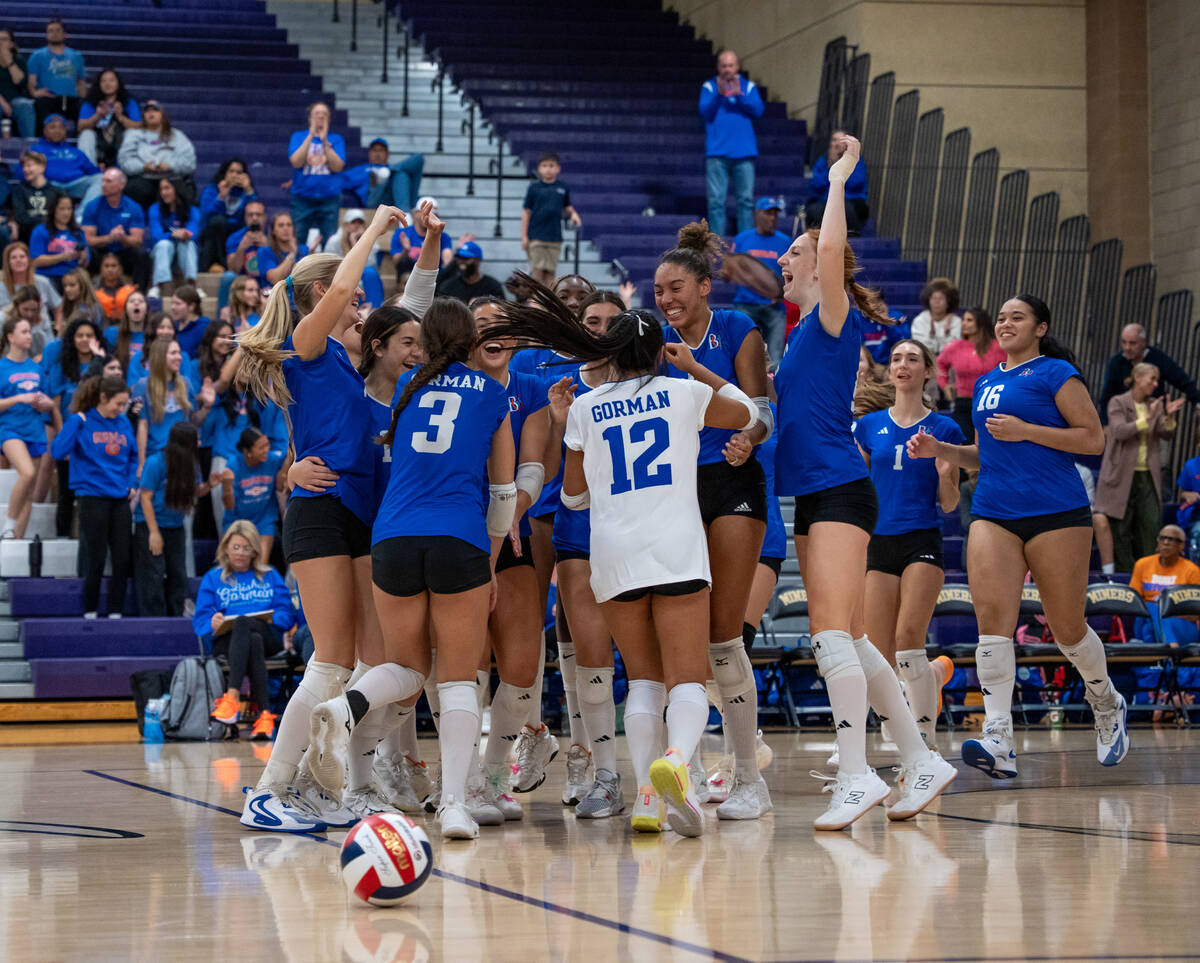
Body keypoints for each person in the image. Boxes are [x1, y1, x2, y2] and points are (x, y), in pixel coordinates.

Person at [486, 288, 766, 837]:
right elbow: (749, 411)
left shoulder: (586, 407)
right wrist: (696, 367)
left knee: (642, 683)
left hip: (612, 555)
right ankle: (677, 762)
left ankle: (645, 795)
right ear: (660, 351)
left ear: (610, 353)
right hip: (677, 547)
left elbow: (570, 499)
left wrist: (570, 434)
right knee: (686, 678)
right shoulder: (683, 391)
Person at [775, 133, 956, 830]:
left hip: (839, 488)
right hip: (822, 491)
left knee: (830, 635)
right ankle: (918, 757)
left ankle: (855, 773)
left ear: (824, 270)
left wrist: (839, 176)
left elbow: (826, 250)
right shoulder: (801, 337)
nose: (788, 261)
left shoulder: (831, 314)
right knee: (852, 637)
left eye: (796, 254)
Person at [305, 294, 517, 841]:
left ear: (425, 344)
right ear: (470, 340)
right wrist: (490, 564)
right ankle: (452, 806)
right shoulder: (494, 394)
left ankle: (348, 702)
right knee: (457, 680)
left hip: (393, 535)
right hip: (458, 536)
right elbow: (502, 494)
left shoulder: (407, 386)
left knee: (405, 668)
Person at [908, 293, 1129, 777]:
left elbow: (1092, 439)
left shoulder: (1056, 374)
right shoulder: (986, 381)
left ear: (1040, 328)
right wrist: (938, 447)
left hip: (1056, 511)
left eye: (1018, 317)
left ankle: (1106, 701)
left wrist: (1028, 429)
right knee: (992, 626)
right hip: (992, 511)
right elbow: (985, 453)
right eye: (1002, 317)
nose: (1006, 323)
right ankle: (999, 737)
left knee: (1068, 628)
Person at [235, 205, 405, 832]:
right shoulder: (305, 347)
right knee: (331, 659)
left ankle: (315, 780)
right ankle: (270, 790)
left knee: (376, 659)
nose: (360, 308)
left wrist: (289, 462)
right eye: (355, 298)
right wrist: (375, 233)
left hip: (356, 513)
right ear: (319, 297)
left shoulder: (343, 365)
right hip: (321, 515)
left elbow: (319, 432)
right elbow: (336, 289)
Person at [657, 221, 774, 820]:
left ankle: (748, 777)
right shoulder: (651, 340)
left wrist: (748, 439)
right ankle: (692, 773)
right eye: (658, 292)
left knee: (725, 637)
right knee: (685, 645)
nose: (666, 299)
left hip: (731, 481)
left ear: (704, 286)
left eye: (676, 287)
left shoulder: (736, 328)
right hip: (673, 490)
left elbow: (761, 412)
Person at [852, 339, 961, 749]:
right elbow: (859, 489)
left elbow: (949, 504)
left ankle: (924, 743)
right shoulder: (869, 426)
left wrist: (947, 472)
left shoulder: (945, 428)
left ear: (927, 371)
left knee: (910, 637)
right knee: (880, 652)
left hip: (921, 539)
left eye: (912, 359)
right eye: (896, 358)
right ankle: (931, 678)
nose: (903, 364)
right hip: (878, 541)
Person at [196, 520, 297, 741]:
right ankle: (265, 716)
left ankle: (232, 698)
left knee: (247, 626)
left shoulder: (269, 575)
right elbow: (200, 621)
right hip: (227, 640)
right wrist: (212, 622)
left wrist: (269, 620)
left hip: (269, 634)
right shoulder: (213, 578)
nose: (240, 553)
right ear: (225, 548)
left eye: (246, 548)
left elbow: (287, 614)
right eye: (236, 547)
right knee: (250, 637)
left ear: (254, 550)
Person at [50, 374, 136, 618]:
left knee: (121, 558)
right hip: (91, 497)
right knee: (96, 558)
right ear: (102, 398)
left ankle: (116, 612)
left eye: (124, 405)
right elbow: (57, 450)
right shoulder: (82, 421)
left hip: (119, 497)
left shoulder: (123, 423)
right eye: (117, 404)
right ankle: (89, 610)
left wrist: (131, 482)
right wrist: (75, 422)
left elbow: (132, 456)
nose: (121, 409)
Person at [1094, 362, 1183, 573]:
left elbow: (1166, 434)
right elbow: (1119, 431)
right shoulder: (1118, 402)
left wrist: (1168, 417)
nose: (1155, 384)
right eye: (1152, 379)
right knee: (1120, 529)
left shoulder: (1155, 404)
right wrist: (1148, 418)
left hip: (1147, 475)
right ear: (1137, 378)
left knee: (1150, 525)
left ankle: (1149, 574)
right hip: (1121, 475)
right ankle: (1127, 577)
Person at [134, 420, 211, 616]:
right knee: (153, 573)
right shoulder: (156, 462)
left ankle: (178, 613)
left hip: (176, 524)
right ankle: (153, 618)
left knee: (178, 572)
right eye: (196, 440)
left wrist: (210, 484)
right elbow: (145, 496)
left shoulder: (191, 464)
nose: (199, 443)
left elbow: (194, 491)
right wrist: (153, 532)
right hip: (151, 525)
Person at [46, 314, 106, 537]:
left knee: (90, 492)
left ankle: (87, 539)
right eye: (79, 335)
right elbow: (56, 404)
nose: (84, 339)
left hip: (95, 438)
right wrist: (65, 437)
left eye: (89, 335)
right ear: (72, 339)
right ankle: (62, 536)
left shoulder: (102, 364)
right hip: (70, 436)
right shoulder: (63, 365)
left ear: (97, 339)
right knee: (65, 492)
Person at [0, 315, 56, 539]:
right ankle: (9, 524)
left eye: (29, 332)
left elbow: (49, 401)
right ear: (11, 337)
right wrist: (18, 399)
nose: (28, 336)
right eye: (23, 331)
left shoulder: (37, 368)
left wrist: (46, 404)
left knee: (30, 490)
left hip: (34, 429)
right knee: (28, 472)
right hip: (10, 429)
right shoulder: (2, 366)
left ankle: (16, 541)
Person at [699, 50, 763, 237]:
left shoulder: (748, 86)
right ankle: (717, 241)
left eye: (731, 65)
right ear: (718, 67)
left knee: (745, 200)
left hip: (744, 153)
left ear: (738, 66)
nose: (727, 69)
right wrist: (719, 95)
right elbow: (704, 113)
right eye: (724, 65)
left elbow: (758, 111)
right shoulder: (710, 87)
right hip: (717, 153)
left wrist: (740, 96)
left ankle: (744, 241)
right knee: (716, 201)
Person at [133, 338, 214, 472]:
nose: (179, 357)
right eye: (173, 353)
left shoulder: (185, 383)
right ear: (160, 356)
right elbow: (142, 425)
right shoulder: (143, 385)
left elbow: (194, 421)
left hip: (185, 454)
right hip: (156, 455)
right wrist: (141, 463)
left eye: (179, 353)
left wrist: (207, 406)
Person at [729, 196, 791, 361]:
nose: (772, 218)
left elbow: (793, 274)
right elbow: (730, 269)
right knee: (741, 355)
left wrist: (781, 294)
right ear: (756, 214)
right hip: (746, 305)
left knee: (776, 358)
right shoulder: (742, 239)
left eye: (775, 214)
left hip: (775, 308)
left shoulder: (785, 242)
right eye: (768, 213)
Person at [1099, 323, 1200, 422]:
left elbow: (1182, 380)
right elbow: (1107, 394)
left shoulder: (1158, 358)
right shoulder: (1116, 362)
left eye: (1132, 343)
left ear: (1143, 342)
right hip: (1124, 418)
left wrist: (1197, 402)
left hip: (1153, 419)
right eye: (1124, 342)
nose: (1127, 347)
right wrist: (1104, 423)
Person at [936, 306, 1005, 441]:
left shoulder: (997, 347)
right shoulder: (955, 346)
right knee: (964, 446)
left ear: (980, 322)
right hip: (963, 404)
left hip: (990, 404)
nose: (964, 324)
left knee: (988, 447)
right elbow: (939, 365)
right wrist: (944, 385)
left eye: (969, 320)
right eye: (963, 320)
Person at [217, 426, 286, 560]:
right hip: (238, 522)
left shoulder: (272, 459)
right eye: (261, 447)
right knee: (237, 565)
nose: (266, 450)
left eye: (267, 445)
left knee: (260, 565)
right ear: (247, 451)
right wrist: (227, 486)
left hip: (264, 520)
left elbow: (288, 459)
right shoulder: (233, 466)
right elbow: (229, 506)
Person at [117, 100, 198, 209]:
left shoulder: (177, 135)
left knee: (185, 189)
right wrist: (143, 166)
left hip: (171, 178)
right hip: (144, 178)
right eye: (147, 111)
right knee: (133, 188)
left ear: (162, 114)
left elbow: (190, 163)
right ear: (143, 116)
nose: (151, 113)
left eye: (155, 110)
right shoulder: (133, 135)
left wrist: (170, 166)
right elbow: (124, 161)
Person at [287, 102, 345, 248]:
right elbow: (296, 162)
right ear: (309, 118)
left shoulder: (336, 139)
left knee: (329, 241)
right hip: (302, 198)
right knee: (298, 239)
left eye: (324, 114)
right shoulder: (298, 136)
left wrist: (324, 141)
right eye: (317, 114)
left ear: (329, 119)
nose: (321, 117)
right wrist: (311, 135)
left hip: (329, 198)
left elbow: (337, 166)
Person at [1130, 525, 1200, 646]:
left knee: (1154, 614)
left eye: (1171, 539)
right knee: (1150, 608)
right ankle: (1170, 646)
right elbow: (1133, 602)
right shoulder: (1142, 564)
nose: (1166, 542)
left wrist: (1164, 613)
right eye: (1162, 538)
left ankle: (1163, 649)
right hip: (1146, 619)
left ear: (1181, 545)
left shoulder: (1192, 571)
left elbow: (1194, 614)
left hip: (1182, 625)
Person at [80, 169, 150, 290]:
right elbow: (87, 239)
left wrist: (123, 238)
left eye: (108, 181)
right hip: (101, 252)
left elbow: (137, 240)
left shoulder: (133, 207)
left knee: (142, 256)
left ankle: (140, 295)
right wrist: (109, 238)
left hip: (123, 252)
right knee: (85, 253)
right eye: (103, 181)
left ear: (121, 185)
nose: (103, 184)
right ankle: (85, 295)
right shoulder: (92, 206)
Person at [521, 153, 582, 287]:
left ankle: (548, 305)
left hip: (554, 236)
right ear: (539, 168)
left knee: (550, 273)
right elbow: (526, 213)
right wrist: (524, 236)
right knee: (537, 272)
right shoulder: (534, 188)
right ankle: (536, 303)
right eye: (544, 166)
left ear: (558, 169)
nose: (548, 169)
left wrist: (573, 214)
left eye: (551, 166)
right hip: (536, 236)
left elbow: (567, 207)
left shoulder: (562, 187)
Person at [26, 19, 87, 128]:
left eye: (58, 30)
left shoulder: (76, 56)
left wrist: (85, 100)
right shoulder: (37, 55)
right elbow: (31, 82)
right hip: (49, 98)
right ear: (46, 35)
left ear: (65, 34)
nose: (54, 33)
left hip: (71, 99)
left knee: (84, 107)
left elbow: (81, 82)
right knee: (41, 105)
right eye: (50, 31)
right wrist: (35, 93)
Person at [198, 158, 257, 272]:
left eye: (239, 172)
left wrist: (249, 190)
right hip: (213, 231)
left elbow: (252, 212)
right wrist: (221, 197)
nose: (234, 175)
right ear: (224, 173)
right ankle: (215, 267)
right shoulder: (212, 190)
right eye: (231, 171)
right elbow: (206, 216)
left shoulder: (246, 192)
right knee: (218, 222)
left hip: (236, 230)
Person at [805, 130, 870, 232]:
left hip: (852, 201)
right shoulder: (822, 161)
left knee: (845, 208)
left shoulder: (856, 160)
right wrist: (832, 166)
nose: (837, 143)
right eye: (834, 140)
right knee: (814, 210)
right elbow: (816, 184)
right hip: (824, 201)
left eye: (841, 140)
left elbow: (856, 183)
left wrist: (840, 167)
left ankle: (849, 239)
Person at [76, 68, 142, 168]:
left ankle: (126, 169)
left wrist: (120, 116)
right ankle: (90, 172)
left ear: (118, 83)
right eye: (104, 81)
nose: (108, 84)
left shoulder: (129, 102)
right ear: (99, 84)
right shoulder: (90, 102)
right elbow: (80, 127)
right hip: (98, 145)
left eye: (111, 80)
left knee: (132, 133)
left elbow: (139, 127)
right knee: (86, 134)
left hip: (119, 144)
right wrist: (98, 116)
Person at [33, 113, 101, 210]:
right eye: (52, 127)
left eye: (61, 128)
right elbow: (23, 172)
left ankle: (82, 215)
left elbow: (93, 171)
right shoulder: (36, 150)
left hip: (75, 185)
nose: (57, 131)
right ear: (45, 131)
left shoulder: (75, 151)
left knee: (101, 179)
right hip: (51, 185)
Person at [322, 210, 384, 310]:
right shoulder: (334, 241)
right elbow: (330, 268)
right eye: (353, 222)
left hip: (362, 278)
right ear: (346, 225)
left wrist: (357, 243)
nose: (357, 226)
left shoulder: (369, 239)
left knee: (370, 273)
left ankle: (373, 311)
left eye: (360, 223)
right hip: (340, 278)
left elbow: (371, 265)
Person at [147, 178, 200, 293]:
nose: (163, 193)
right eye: (161, 189)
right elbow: (156, 236)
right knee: (164, 245)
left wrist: (185, 234)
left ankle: (192, 285)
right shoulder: (154, 209)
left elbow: (194, 233)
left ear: (177, 189)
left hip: (183, 251)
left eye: (167, 188)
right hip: (161, 253)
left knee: (189, 244)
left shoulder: (192, 210)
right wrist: (173, 234)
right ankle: (159, 286)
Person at [343, 136, 425, 210]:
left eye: (381, 150)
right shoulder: (363, 169)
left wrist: (389, 171)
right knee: (377, 174)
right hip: (375, 200)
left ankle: (405, 212)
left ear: (387, 154)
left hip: (395, 198)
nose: (377, 154)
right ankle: (405, 213)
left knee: (416, 161)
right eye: (374, 150)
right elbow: (342, 180)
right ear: (369, 153)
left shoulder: (394, 170)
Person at [390, 197, 452, 290]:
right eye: (425, 213)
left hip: (432, 279)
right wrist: (405, 251)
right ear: (416, 213)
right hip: (409, 278)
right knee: (404, 263)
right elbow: (396, 262)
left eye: (432, 214)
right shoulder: (402, 233)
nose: (428, 217)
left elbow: (447, 263)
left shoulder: (443, 236)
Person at [30, 194, 88, 289]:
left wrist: (83, 258)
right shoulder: (40, 230)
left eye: (69, 209)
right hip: (48, 276)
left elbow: (84, 264)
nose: (66, 213)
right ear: (53, 210)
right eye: (62, 209)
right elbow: (36, 261)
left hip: (72, 277)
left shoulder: (78, 233)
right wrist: (62, 257)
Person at [0, 241, 61, 332]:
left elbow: (58, 306)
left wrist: (58, 327)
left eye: (22, 256)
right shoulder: (1, 287)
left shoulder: (43, 282)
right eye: (14, 257)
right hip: (12, 333)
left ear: (28, 260)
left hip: (43, 331)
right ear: (8, 262)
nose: (18, 260)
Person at [219, 199, 268, 308]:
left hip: (267, 282)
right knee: (228, 277)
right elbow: (233, 269)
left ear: (264, 217)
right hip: (243, 282)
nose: (254, 218)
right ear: (245, 217)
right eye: (250, 215)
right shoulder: (235, 238)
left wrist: (268, 248)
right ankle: (223, 319)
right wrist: (241, 248)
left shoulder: (273, 236)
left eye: (258, 214)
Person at [10, 151, 58, 245]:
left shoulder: (56, 192)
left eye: (29, 165)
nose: (25, 169)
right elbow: (20, 217)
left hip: (52, 235)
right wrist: (44, 221)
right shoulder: (18, 191)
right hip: (26, 236)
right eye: (23, 166)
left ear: (42, 167)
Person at [436, 242, 506, 304]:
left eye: (466, 258)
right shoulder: (448, 286)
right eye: (459, 258)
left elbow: (501, 310)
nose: (461, 261)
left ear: (477, 260)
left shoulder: (492, 286)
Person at [910, 277, 962, 358]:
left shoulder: (956, 322)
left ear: (949, 301)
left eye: (941, 298)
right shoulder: (920, 321)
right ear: (928, 300)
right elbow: (921, 350)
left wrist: (947, 334)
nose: (937, 302)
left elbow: (954, 350)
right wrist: (932, 335)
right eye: (933, 298)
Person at [257, 212, 308, 289]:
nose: (286, 228)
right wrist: (292, 253)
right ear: (273, 231)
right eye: (281, 225)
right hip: (274, 296)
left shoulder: (304, 249)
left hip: (299, 296)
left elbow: (306, 278)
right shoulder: (264, 252)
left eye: (289, 225)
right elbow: (275, 279)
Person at [0, 28, 36, 139]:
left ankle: (30, 147)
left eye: (4, 39)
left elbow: (20, 82)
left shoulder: (19, 60)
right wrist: (3, 104)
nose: (0, 42)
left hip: (16, 100)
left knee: (25, 105)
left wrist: (9, 62)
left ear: (12, 43)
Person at [107, 288, 147, 370]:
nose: (136, 303)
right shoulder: (112, 333)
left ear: (146, 310)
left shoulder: (153, 333)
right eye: (131, 301)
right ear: (126, 309)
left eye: (141, 301)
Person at [56, 267, 103, 332]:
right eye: (65, 286)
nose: (67, 290)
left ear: (83, 286)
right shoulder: (65, 305)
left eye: (72, 285)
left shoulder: (93, 308)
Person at [94, 252, 137, 324]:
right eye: (106, 266)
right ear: (101, 269)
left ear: (120, 269)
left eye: (113, 266)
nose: (110, 269)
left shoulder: (130, 290)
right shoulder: (94, 290)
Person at [168, 285, 210, 358]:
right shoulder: (173, 325)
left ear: (191, 306)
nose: (173, 307)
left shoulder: (204, 327)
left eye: (178, 303)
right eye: (172, 303)